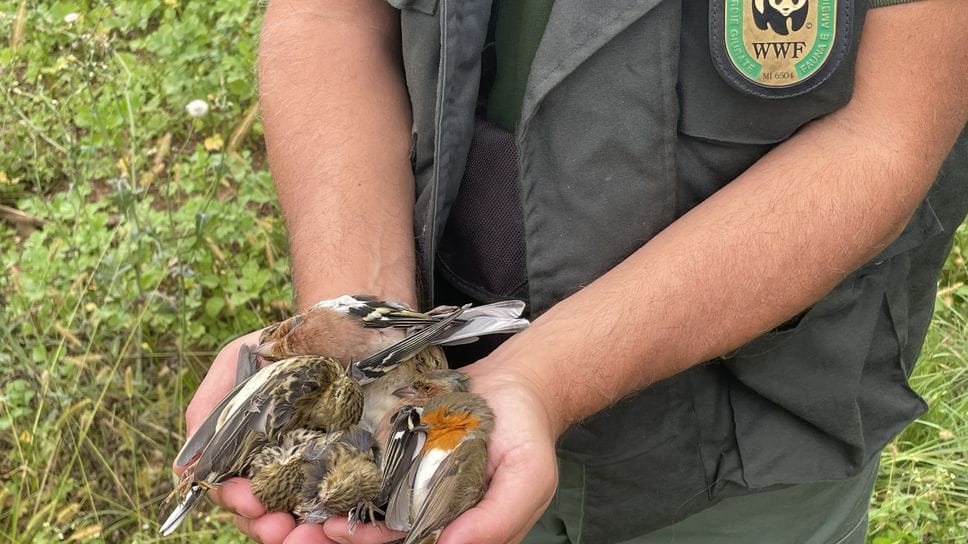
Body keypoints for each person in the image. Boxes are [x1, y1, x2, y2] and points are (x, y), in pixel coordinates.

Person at [180, 1, 968, 543]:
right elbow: (333, 17)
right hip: (442, 403)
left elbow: (882, 129)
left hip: (757, 447)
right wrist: (361, 336)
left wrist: (542, 378)